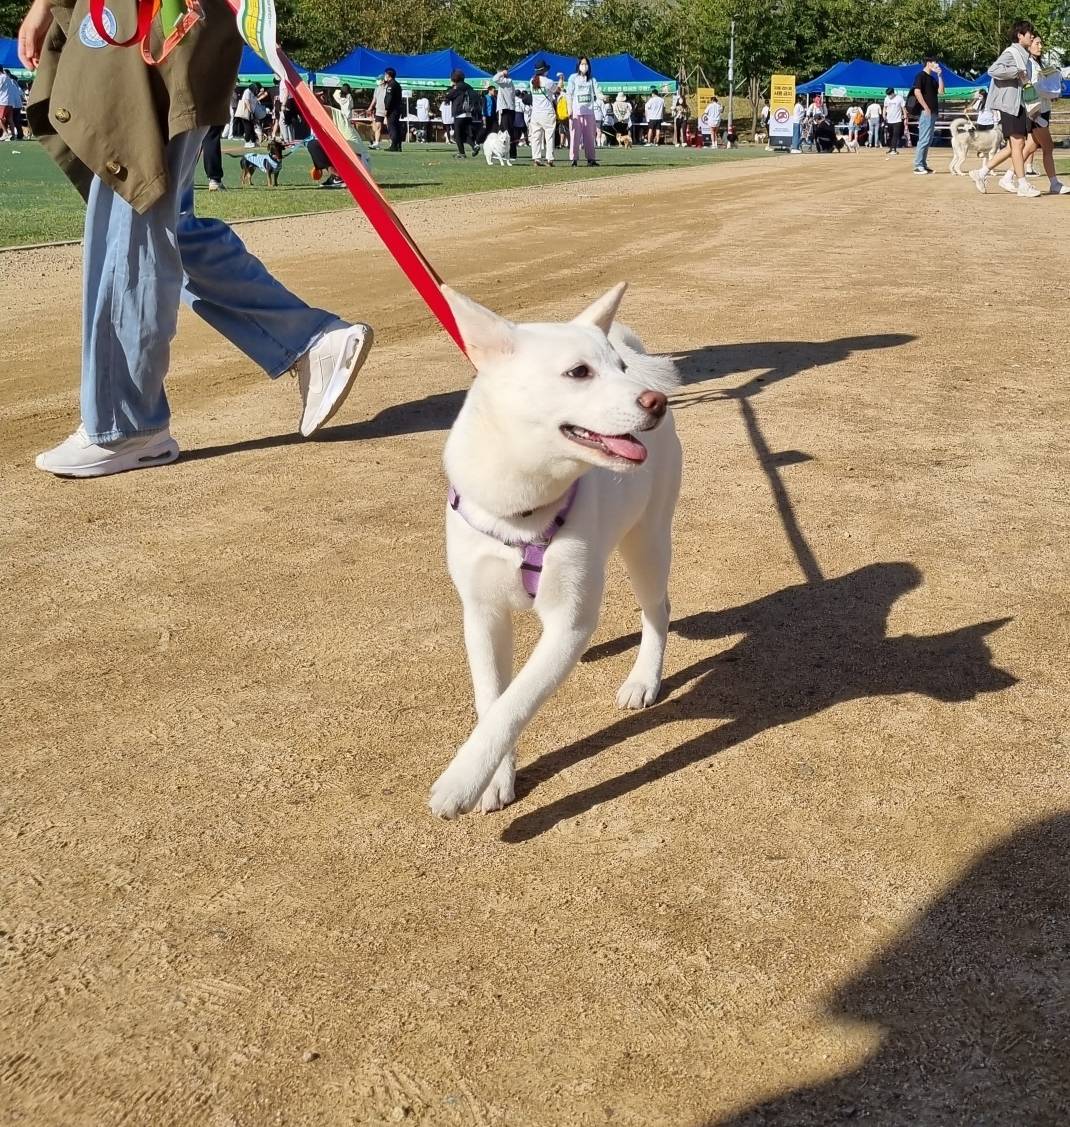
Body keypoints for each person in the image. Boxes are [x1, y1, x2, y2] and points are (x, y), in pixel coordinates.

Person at [16, 0, 374, 477]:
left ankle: (126, 425)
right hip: (154, 27)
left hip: (156, 27)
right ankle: (310, 340)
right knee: (158, 223)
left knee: (133, 211)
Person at [975, 32, 1069, 196]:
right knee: (1045, 146)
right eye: (1036, 42)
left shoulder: (1036, 63)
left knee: (1024, 147)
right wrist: (1050, 93)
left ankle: (992, 173)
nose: (1039, 46)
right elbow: (1031, 87)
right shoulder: (1027, 62)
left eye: (1040, 43)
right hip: (1035, 110)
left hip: (1040, 109)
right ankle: (1053, 183)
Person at [972, 21, 1042, 198]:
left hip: (1018, 104)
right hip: (1010, 105)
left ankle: (981, 173)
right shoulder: (1012, 52)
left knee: (1014, 146)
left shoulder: (1023, 54)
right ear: (1020, 35)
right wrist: (1016, 72)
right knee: (1018, 143)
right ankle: (1022, 183)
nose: (1032, 36)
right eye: (1029, 34)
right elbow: (993, 70)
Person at [565, 56, 601, 167]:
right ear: (578, 65)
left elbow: (598, 91)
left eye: (586, 64)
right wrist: (569, 108)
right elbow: (569, 94)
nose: (584, 66)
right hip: (576, 111)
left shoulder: (592, 79)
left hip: (589, 112)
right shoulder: (573, 78)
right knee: (575, 136)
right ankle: (574, 159)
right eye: (582, 64)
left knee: (590, 136)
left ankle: (591, 159)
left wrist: (602, 96)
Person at [911, 58, 943, 174]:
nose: (936, 65)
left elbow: (941, 91)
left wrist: (940, 76)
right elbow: (917, 92)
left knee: (928, 139)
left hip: (933, 112)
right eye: (934, 63)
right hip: (926, 112)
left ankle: (923, 164)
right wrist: (925, 107)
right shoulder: (920, 76)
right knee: (923, 139)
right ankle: (918, 165)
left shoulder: (932, 78)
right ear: (928, 63)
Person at [528, 60, 560, 167]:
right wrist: (561, 79)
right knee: (549, 136)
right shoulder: (548, 81)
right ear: (544, 70)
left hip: (535, 113)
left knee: (536, 137)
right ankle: (549, 159)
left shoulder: (532, 81)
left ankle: (536, 158)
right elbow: (557, 90)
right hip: (547, 112)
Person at [444, 69, 476, 158]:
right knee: (464, 134)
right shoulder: (469, 86)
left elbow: (448, 95)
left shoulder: (457, 87)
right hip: (469, 113)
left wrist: (451, 87)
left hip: (459, 113)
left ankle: (462, 153)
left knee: (457, 135)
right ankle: (474, 146)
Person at [492, 67, 518, 158]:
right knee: (503, 132)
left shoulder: (507, 82)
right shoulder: (505, 83)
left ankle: (512, 154)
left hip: (507, 110)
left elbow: (494, 78)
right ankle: (503, 153)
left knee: (508, 133)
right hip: (506, 110)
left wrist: (502, 73)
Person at [233, 83, 263, 147]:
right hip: (246, 112)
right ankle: (247, 142)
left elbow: (255, 99)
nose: (258, 91)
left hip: (251, 112)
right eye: (258, 89)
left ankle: (253, 141)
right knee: (248, 127)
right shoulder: (247, 91)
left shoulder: (253, 93)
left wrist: (261, 93)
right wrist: (250, 111)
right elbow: (247, 101)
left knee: (251, 127)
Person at [382, 68, 403, 152]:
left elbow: (389, 98)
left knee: (392, 127)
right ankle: (398, 145)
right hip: (397, 109)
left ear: (388, 75)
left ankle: (393, 145)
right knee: (397, 127)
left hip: (392, 110)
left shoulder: (391, 85)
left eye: (385, 74)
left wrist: (386, 109)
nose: (384, 76)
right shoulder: (397, 84)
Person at [0, 69, 24, 140]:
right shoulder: (10, 80)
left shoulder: (2, 77)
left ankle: (6, 134)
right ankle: (13, 135)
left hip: (3, 101)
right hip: (11, 102)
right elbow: (20, 93)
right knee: (10, 119)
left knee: (1, 119)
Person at [883, 86, 905, 156]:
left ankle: (894, 149)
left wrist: (905, 115)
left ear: (893, 93)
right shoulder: (886, 98)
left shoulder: (899, 98)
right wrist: (884, 114)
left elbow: (903, 107)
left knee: (895, 135)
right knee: (890, 135)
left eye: (890, 94)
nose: (889, 96)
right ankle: (890, 148)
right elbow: (885, 107)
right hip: (889, 120)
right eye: (888, 94)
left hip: (897, 120)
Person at [370, 75, 387, 149]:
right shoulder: (377, 89)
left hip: (387, 110)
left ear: (383, 80)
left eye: (379, 79)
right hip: (379, 110)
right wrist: (370, 107)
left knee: (389, 126)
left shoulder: (388, 88)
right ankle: (377, 143)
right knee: (378, 126)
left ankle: (393, 143)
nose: (378, 81)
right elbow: (374, 99)